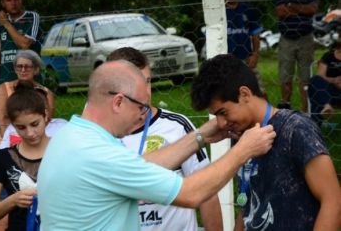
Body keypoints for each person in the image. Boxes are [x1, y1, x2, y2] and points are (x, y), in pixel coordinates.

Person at [37, 60, 276, 230]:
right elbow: (191, 194)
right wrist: (243, 150)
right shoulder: (99, 155)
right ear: (118, 102)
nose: (145, 115)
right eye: (141, 106)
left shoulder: (71, 136)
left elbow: (139, 166)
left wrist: (200, 136)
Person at [190, 54, 341, 231]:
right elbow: (250, 204)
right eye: (216, 116)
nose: (221, 123)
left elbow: (333, 201)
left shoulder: (296, 129)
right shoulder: (242, 138)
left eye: (223, 112)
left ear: (244, 94)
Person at [107, 47, 223, 231]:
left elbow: (207, 192)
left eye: (147, 82)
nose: (145, 94)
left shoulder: (177, 126)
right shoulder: (99, 136)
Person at [0, 80, 49, 230]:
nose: (30, 133)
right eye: (21, 127)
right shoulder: (2, 158)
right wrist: (12, 201)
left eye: (35, 124)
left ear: (45, 115)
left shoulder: (63, 151)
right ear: (13, 125)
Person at [0, 50, 54, 138]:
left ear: (36, 69)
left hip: (37, 137)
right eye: (19, 66)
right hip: (9, 137)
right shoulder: (3, 88)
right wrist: (8, 143)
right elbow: (2, 119)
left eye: (27, 66)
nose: (23, 70)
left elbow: (47, 120)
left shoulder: (46, 93)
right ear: (15, 69)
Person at [276, 0, 318, 112]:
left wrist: (291, 6)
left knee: (305, 76)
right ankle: (286, 107)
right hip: (286, 38)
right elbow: (280, 12)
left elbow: (312, 10)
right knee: (285, 75)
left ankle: (305, 110)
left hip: (306, 38)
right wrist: (302, 9)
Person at [0, 0, 42, 83]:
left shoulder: (31, 16)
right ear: (3, 3)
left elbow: (25, 44)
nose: (13, 3)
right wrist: (0, 59)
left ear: (21, 0)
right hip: (6, 79)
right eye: (9, 0)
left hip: (29, 80)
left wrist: (7, 24)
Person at [308, 41, 341, 126]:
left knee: (316, 97)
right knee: (315, 80)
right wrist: (333, 80)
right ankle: (327, 106)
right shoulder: (328, 56)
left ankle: (313, 131)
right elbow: (321, 75)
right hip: (329, 90)